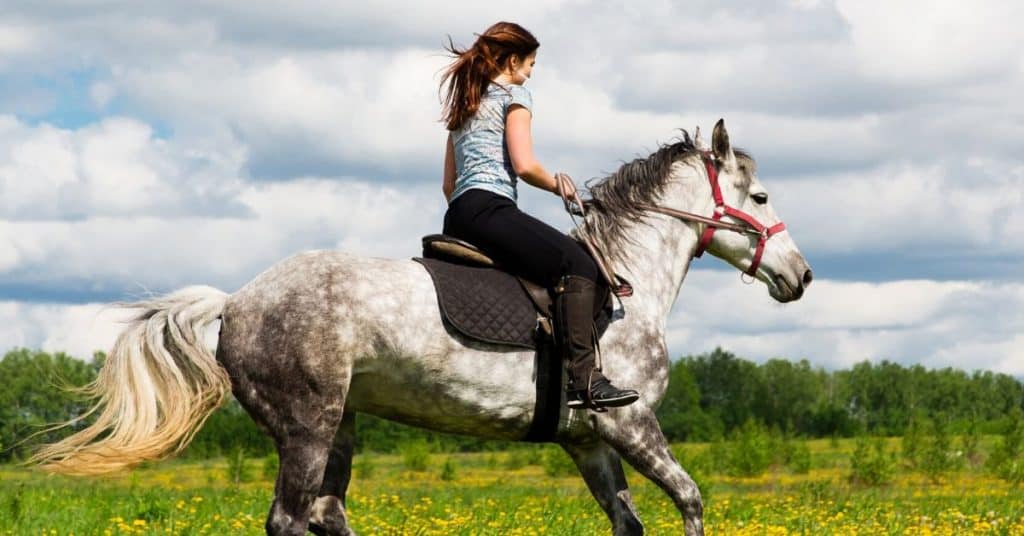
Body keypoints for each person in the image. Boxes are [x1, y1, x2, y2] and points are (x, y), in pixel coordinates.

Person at [438, 21, 639, 410]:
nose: (530, 73)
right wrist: (558, 186)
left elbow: (449, 185)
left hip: (458, 215)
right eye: (530, 64)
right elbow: (525, 165)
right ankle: (585, 381)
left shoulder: (464, 106)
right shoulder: (516, 97)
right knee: (577, 262)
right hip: (490, 208)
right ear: (512, 61)